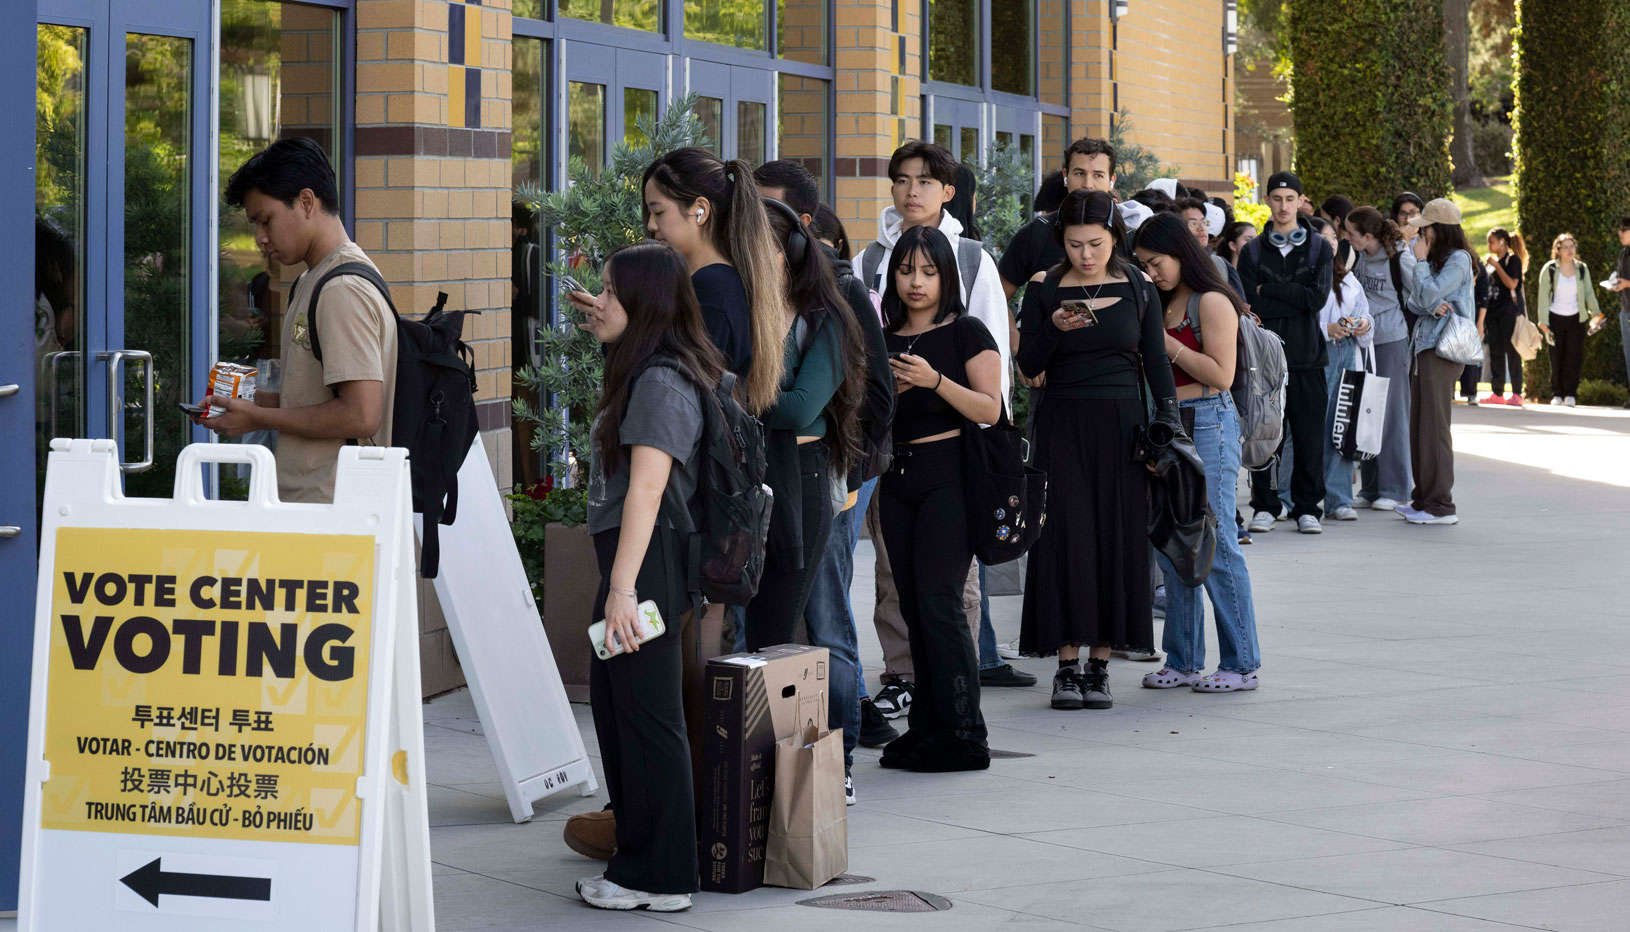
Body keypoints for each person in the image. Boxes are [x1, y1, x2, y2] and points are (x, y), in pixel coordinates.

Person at [575, 241, 721, 912]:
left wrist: (623, 589)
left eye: (608, 292)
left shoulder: (663, 379)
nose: (598, 301)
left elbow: (647, 491)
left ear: (644, 303)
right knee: (619, 706)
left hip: (649, 561)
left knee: (648, 714)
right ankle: (637, 860)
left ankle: (660, 877)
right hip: (639, 561)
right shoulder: (647, 368)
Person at [753, 164, 901, 776]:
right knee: (761, 631)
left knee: (823, 617)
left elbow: (860, 401)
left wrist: (846, 471)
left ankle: (834, 760)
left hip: (823, 479)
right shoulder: (747, 306)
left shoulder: (835, 302)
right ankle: (763, 769)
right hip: (762, 482)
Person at [1016, 189, 1179, 711]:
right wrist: (1054, 329)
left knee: (1116, 537)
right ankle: (1066, 665)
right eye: (1075, 244)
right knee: (1064, 536)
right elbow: (1027, 367)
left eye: (1097, 243)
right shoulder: (1045, 288)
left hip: (1122, 425)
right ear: (1061, 242)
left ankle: (1100, 665)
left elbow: (1155, 361)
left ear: (1115, 239)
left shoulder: (1137, 285)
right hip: (1061, 422)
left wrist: (1168, 421)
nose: (1087, 254)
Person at [201, 138, 396, 505]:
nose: (260, 237)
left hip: (337, 510)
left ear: (307, 202)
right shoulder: (312, 280)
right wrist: (256, 402)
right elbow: (317, 400)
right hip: (315, 507)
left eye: (266, 220)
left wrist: (258, 417)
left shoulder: (341, 288)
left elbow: (361, 414)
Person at [874, 224, 1001, 773]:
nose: (916, 283)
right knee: (911, 604)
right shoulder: (882, 337)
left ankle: (965, 732)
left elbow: (989, 409)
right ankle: (928, 725)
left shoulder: (966, 332)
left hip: (949, 475)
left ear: (946, 275)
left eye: (927, 271)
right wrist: (888, 395)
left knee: (940, 602)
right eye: (905, 271)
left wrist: (932, 382)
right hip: (895, 478)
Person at [1131, 212, 1262, 692]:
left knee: (1217, 542)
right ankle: (1183, 660)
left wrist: (1166, 345)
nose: (1152, 272)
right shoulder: (1156, 300)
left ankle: (1241, 661)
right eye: (1143, 265)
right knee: (1171, 545)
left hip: (1208, 420)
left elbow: (1222, 374)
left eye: (1157, 261)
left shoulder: (1212, 301)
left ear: (1180, 252)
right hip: (1166, 427)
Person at [639, 147, 787, 412]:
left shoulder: (712, 288)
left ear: (700, 210)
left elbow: (678, 393)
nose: (651, 225)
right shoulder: (715, 281)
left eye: (659, 212)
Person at [1239, 171, 1334, 536]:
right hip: (1264, 361)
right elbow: (1251, 303)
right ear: (1267, 201)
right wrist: (1293, 292)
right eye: (1276, 199)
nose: (1283, 206)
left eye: (1289, 199)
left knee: (1309, 436)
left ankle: (1308, 507)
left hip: (1308, 357)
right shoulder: (1252, 250)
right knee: (1265, 436)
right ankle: (1265, 505)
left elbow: (1317, 299)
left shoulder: (1318, 248)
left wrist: (1272, 290)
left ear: (1300, 201)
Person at [1401, 198, 1476, 525]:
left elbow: (1427, 293)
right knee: (1420, 425)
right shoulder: (1436, 261)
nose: (1419, 235)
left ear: (1438, 230)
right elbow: (1415, 300)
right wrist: (1432, 301)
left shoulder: (1457, 259)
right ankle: (1423, 499)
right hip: (1425, 347)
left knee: (1434, 427)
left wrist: (1420, 269)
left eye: (1424, 229)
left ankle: (1440, 505)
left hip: (1442, 350)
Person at [1345, 206, 1414, 513]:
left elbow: (1419, 292)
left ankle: (1397, 487)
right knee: (1367, 412)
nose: (1346, 237)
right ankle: (1372, 486)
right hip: (1365, 342)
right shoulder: (1359, 256)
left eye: (1351, 233)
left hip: (1392, 340)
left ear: (1368, 236)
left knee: (1392, 414)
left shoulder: (1399, 257)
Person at [1309, 216, 1372, 522]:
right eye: (1325, 237)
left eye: (1334, 238)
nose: (1332, 243)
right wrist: (1326, 328)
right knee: (1310, 426)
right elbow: (1298, 322)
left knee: (1342, 425)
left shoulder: (1348, 277)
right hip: (1315, 355)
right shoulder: (1306, 275)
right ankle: (1302, 497)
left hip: (1347, 353)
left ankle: (1339, 498)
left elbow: (1366, 315)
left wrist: (1362, 324)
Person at [1536, 233, 1604, 406]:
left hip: (1576, 318)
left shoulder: (1582, 268)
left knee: (1573, 358)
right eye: (1565, 247)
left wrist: (1596, 313)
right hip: (1555, 318)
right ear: (1558, 250)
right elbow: (1543, 296)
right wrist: (1543, 321)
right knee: (1556, 358)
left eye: (1571, 246)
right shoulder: (1550, 269)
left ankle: (1570, 394)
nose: (1569, 250)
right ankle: (1557, 394)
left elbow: (1589, 292)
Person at [1483, 227, 1528, 405]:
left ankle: (1517, 392)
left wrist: (1496, 266)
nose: (1489, 245)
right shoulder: (1491, 262)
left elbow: (1512, 284)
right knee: (1495, 353)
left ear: (1502, 241)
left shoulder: (1512, 260)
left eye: (1491, 241)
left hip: (1509, 313)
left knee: (1513, 352)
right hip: (1493, 313)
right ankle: (1497, 392)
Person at [1176, 196, 1246, 301]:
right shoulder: (1175, 267)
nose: (1201, 228)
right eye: (1193, 223)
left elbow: (1240, 306)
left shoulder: (1221, 264)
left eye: (1204, 222)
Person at [1614, 216, 1630, 408]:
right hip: (1625, 311)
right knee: (1628, 354)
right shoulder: (1622, 254)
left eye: (1624, 229)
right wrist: (1616, 284)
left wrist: (1627, 284)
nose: (1620, 233)